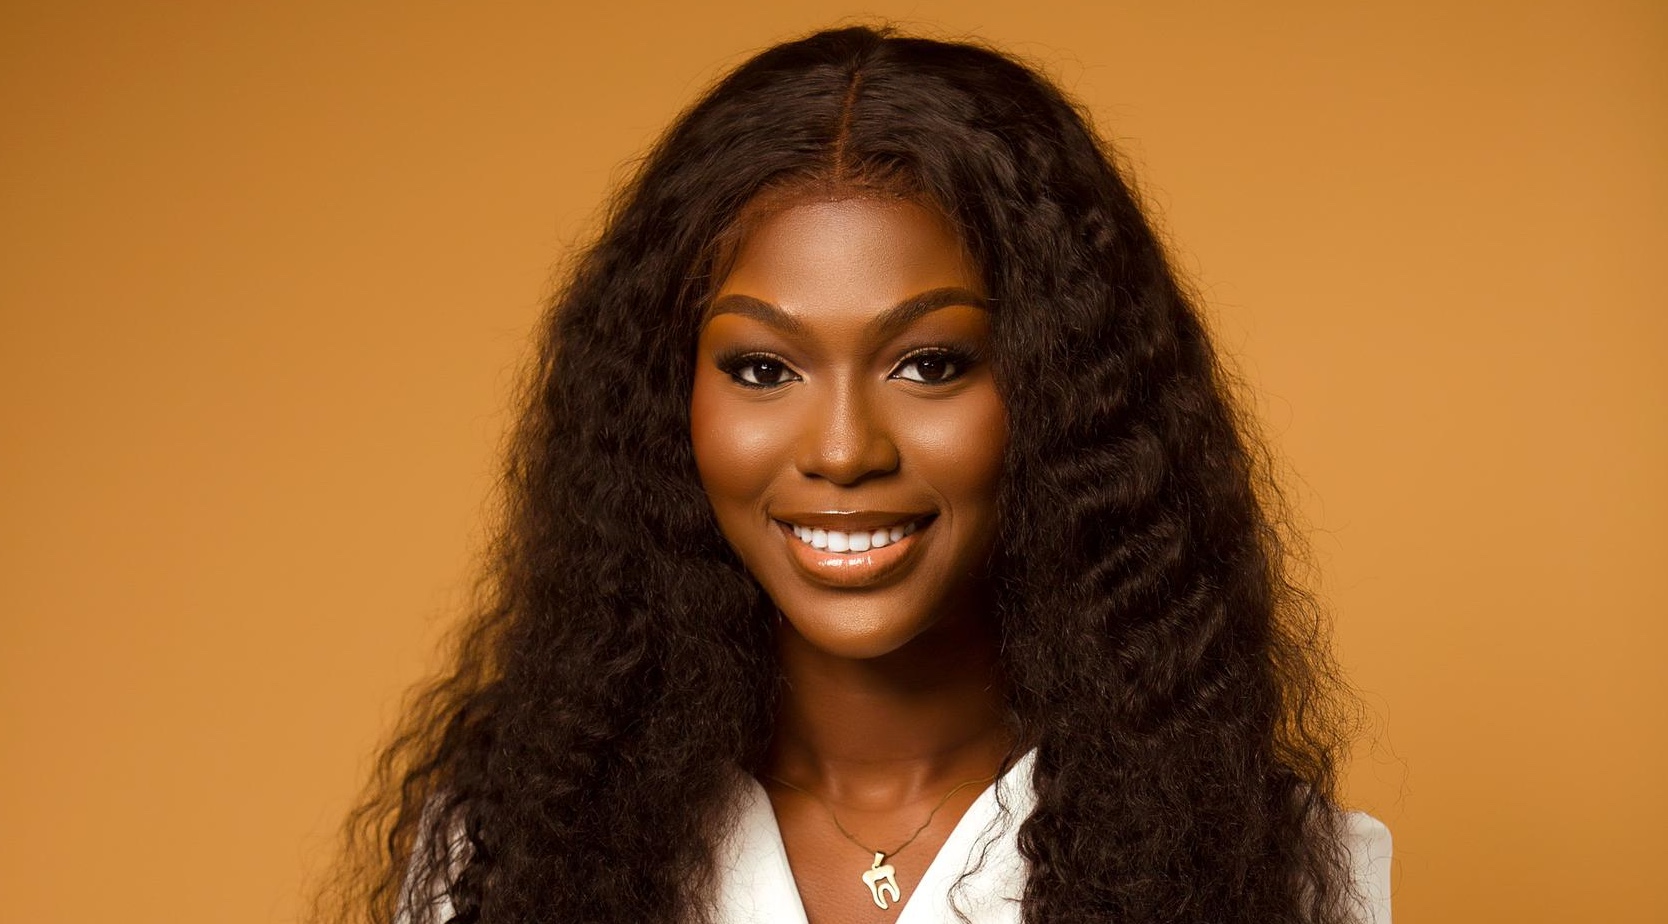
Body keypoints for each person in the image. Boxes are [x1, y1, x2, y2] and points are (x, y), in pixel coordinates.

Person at [320, 25, 1392, 924]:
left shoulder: (1274, 872)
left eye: (931, 364)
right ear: (665, 405)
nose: (842, 450)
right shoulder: (504, 856)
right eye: (761, 367)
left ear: (1066, 398)